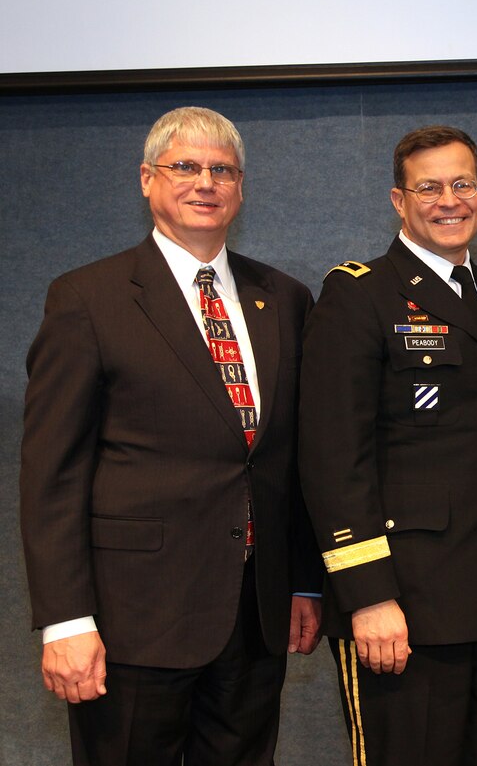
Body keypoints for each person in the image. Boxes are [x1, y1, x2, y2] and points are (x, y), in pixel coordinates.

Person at [19, 106, 323, 765]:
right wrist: (66, 619)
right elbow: (51, 474)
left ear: (241, 188)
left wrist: (304, 580)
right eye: (185, 166)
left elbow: (292, 458)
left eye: (223, 169)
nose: (205, 182)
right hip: (132, 620)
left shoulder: (288, 299)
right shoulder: (87, 299)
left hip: (255, 615)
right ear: (147, 180)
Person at [299, 125, 477, 766]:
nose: (449, 200)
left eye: (462, 184)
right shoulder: (358, 295)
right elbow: (333, 458)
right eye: (429, 187)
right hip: (405, 605)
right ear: (398, 200)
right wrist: (369, 595)